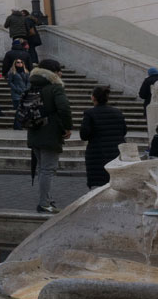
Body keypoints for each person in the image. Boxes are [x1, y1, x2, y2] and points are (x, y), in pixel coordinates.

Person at [25, 58, 73, 214]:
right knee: (47, 169)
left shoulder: (33, 85)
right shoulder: (55, 87)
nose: (60, 73)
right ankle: (44, 203)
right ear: (54, 72)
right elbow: (64, 108)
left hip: (34, 131)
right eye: (59, 70)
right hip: (50, 133)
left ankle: (47, 199)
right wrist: (67, 127)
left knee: (42, 168)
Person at [79, 86, 127, 189]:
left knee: (99, 185)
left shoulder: (89, 114)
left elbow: (84, 135)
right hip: (115, 152)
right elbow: (124, 131)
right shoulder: (118, 112)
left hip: (97, 153)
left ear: (93, 97)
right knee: (114, 183)